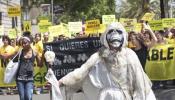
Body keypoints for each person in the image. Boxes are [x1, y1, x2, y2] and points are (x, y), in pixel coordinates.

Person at [58, 22, 156, 100]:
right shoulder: (98, 56)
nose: (115, 34)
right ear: (106, 37)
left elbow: (139, 81)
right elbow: (81, 72)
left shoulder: (130, 55)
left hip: (125, 96)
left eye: (118, 31)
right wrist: (60, 82)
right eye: (111, 31)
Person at [14, 34, 42, 100]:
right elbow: (13, 60)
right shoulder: (20, 52)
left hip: (30, 79)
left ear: (30, 43)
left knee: (28, 97)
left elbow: (40, 64)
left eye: (25, 43)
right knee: (22, 98)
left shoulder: (34, 52)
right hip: (20, 79)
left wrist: (43, 55)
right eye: (22, 43)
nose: (23, 45)